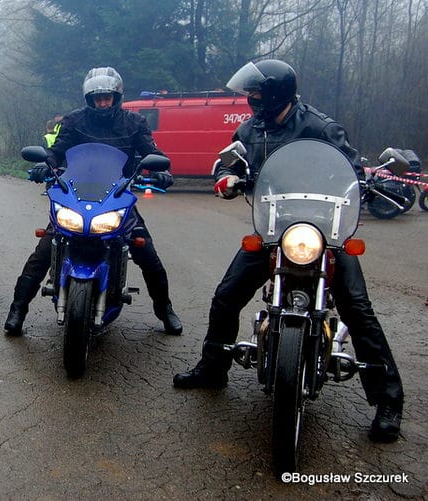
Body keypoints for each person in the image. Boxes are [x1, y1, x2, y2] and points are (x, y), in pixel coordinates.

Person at [172, 59, 404, 443]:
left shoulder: (320, 127)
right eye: (250, 93)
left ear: (277, 92)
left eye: (257, 92)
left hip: (324, 231)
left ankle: (388, 401)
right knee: (226, 296)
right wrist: (227, 176)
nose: (251, 99)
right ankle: (213, 368)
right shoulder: (252, 129)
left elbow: (351, 170)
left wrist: (365, 184)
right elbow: (224, 159)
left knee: (358, 310)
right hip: (274, 229)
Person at [4, 66, 182, 336]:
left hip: (116, 198)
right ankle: (18, 308)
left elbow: (150, 151)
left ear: (116, 97)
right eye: (97, 98)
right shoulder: (75, 120)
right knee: (44, 249)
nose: (102, 103)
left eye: (107, 97)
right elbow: (57, 151)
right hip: (75, 195)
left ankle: (164, 308)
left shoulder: (134, 123)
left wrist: (160, 171)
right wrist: (45, 165)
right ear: (89, 99)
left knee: (147, 254)